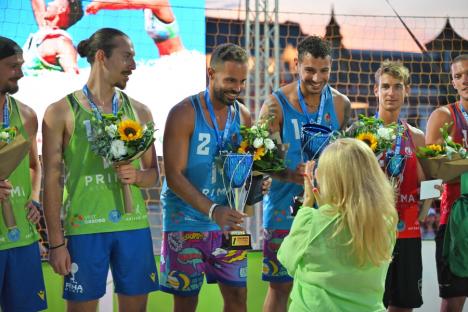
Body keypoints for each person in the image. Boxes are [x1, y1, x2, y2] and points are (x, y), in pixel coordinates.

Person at [42, 28, 160, 311]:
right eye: (127, 57)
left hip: (133, 227)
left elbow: (153, 174)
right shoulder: (60, 111)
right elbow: (52, 181)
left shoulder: (140, 111)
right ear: (101, 57)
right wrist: (56, 244)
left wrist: (137, 176)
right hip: (85, 229)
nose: (133, 65)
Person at [258, 35, 351, 312]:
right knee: (280, 287)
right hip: (283, 210)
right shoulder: (275, 104)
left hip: (328, 209)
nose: (317, 77)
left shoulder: (340, 104)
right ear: (297, 64)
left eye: (324, 70)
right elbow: (262, 161)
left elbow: (349, 154)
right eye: (310, 70)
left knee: (325, 285)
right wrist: (291, 174)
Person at [160, 43, 253, 312]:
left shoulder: (243, 116)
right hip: (185, 223)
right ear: (211, 73)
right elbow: (174, 177)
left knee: (238, 298)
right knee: (187, 302)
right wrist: (213, 210)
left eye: (242, 81)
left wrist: (256, 183)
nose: (237, 88)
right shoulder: (183, 113)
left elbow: (242, 169)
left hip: (227, 225)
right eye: (230, 80)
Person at [277, 138, 398, 311]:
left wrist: (307, 203)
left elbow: (286, 259)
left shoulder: (311, 221)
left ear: (327, 179)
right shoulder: (385, 222)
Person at [372, 60, 426, 311]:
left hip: (407, 233)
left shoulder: (416, 136)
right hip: (371, 233)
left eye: (397, 86)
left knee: (404, 306)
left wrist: (423, 211)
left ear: (407, 91)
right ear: (376, 91)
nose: (391, 93)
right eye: (385, 87)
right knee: (371, 305)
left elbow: (428, 184)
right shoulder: (360, 132)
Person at [0, 36, 46, 311]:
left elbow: (33, 165)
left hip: (21, 239)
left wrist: (35, 198)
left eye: (21, 65)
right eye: (12, 66)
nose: (20, 72)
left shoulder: (26, 115)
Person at [426, 54, 468, 312]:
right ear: (452, 82)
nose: (465, 80)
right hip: (455, 220)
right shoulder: (444, 116)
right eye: (458, 76)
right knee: (454, 300)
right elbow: (432, 173)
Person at [85, 0, 184, 56]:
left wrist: (101, 4)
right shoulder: (148, 8)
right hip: (167, 62)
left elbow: (129, 3)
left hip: (179, 60)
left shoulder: (159, 2)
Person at [24, 0, 83, 74]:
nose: (48, 3)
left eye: (54, 1)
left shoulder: (61, 43)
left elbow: (74, 75)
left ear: (61, 10)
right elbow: (36, 3)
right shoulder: (44, 31)